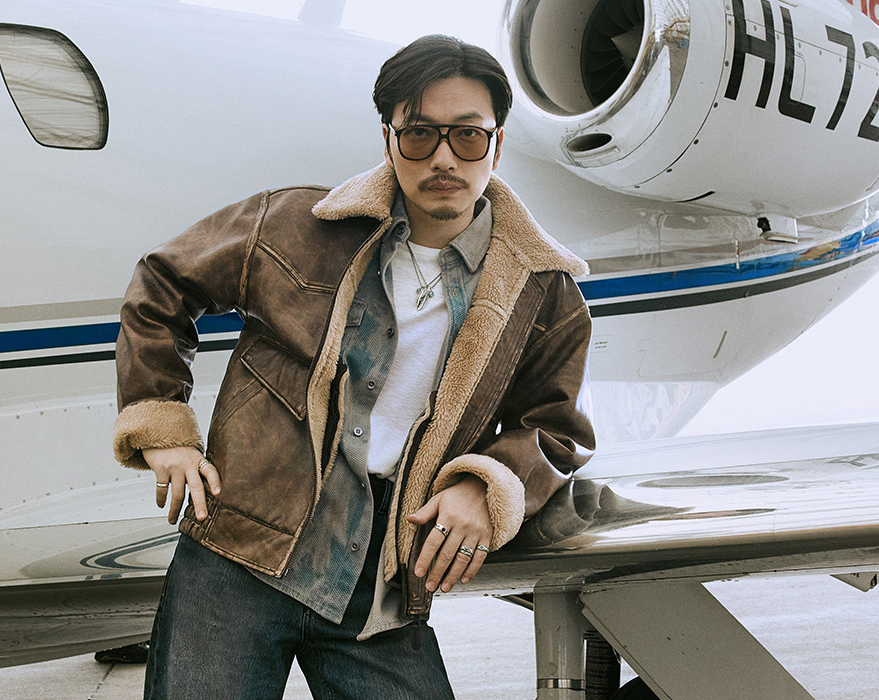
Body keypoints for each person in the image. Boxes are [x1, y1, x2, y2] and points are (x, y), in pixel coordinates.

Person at [112, 34, 595, 700]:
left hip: (381, 580)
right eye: (419, 134)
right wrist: (162, 428)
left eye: (468, 136)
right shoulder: (294, 224)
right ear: (389, 139)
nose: (444, 157)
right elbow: (162, 283)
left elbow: (556, 429)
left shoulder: (544, 292)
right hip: (235, 553)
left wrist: (484, 484)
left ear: (498, 144)